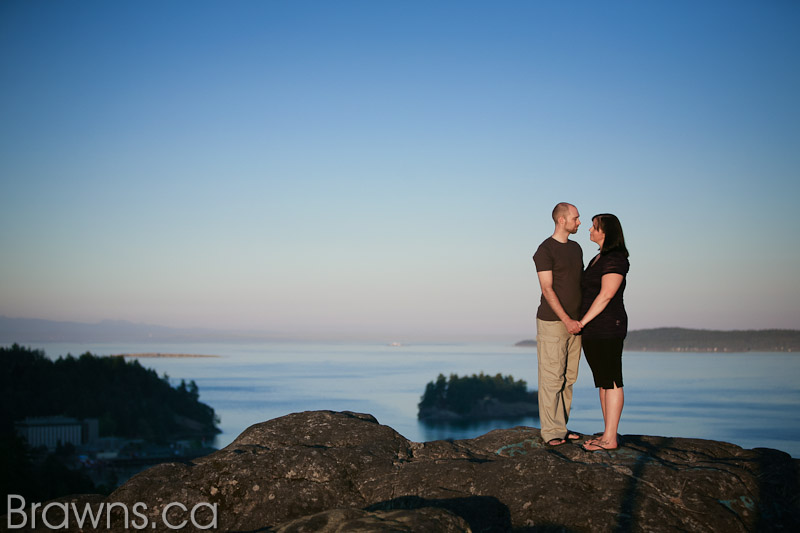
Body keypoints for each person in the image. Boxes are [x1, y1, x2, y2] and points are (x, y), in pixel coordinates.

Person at [532, 202, 584, 447]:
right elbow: (547, 288)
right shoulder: (545, 250)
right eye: (576, 217)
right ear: (562, 220)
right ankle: (551, 432)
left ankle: (561, 427)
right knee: (552, 378)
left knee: (568, 377)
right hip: (554, 322)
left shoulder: (576, 248)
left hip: (576, 322)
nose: (579, 222)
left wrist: (579, 320)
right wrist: (566, 320)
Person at [578, 213, 630, 452]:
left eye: (594, 226)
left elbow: (606, 294)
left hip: (609, 326)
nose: (589, 228)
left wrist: (582, 321)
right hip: (593, 329)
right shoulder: (598, 258)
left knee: (612, 381)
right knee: (602, 382)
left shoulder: (615, 258)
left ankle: (610, 438)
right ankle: (607, 433)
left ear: (606, 231)